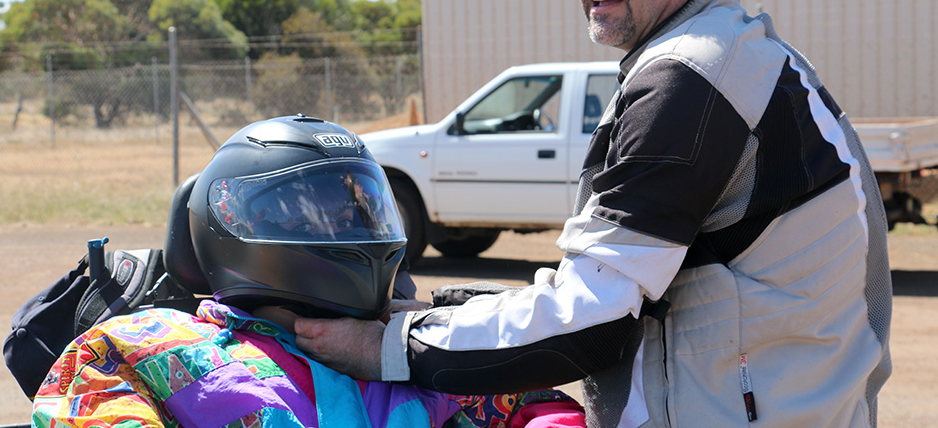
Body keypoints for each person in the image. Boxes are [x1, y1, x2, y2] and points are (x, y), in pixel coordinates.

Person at [292, 0, 893, 427]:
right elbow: (635, 299)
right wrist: (445, 312)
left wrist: (383, 347)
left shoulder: (692, 77)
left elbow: (593, 322)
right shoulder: (733, 51)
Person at [31, 115, 586, 428]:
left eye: (361, 210)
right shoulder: (144, 346)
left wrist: (414, 337)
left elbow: (538, 409)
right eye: (320, 214)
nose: (353, 228)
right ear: (233, 220)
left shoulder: (418, 348)